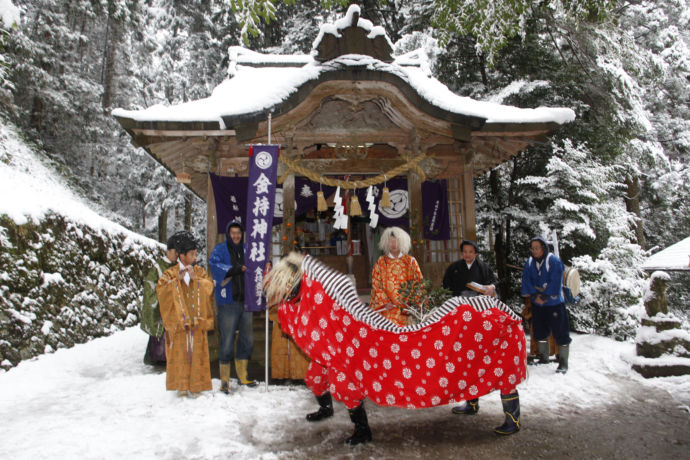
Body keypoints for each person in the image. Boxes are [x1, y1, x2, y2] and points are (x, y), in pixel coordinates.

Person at [156, 231, 215, 395]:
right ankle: (181, 387)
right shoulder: (170, 273)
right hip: (180, 323)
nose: (195, 257)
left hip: (196, 320)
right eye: (192, 254)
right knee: (180, 353)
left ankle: (197, 386)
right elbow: (161, 290)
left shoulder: (200, 272)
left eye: (196, 254)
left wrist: (195, 279)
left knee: (197, 353)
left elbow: (209, 287)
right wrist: (177, 282)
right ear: (182, 256)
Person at [209, 221, 257, 393]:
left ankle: (242, 375)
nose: (236, 235)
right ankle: (224, 380)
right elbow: (213, 264)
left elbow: (257, 264)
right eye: (233, 233)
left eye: (238, 232)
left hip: (246, 301)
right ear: (229, 234)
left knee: (247, 339)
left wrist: (266, 264)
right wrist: (235, 269)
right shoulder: (220, 249)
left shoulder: (247, 249)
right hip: (228, 302)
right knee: (227, 339)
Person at [521, 236, 571, 373]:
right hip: (537, 302)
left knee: (561, 331)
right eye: (532, 248)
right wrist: (535, 295)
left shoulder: (553, 260)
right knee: (540, 330)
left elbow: (556, 280)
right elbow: (526, 280)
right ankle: (543, 357)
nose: (534, 251)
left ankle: (563, 362)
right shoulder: (530, 262)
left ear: (543, 248)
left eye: (537, 248)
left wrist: (544, 296)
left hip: (554, 302)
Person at [369, 226, 423, 326]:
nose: (394, 244)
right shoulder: (381, 262)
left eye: (397, 241)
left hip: (406, 309)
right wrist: (385, 302)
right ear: (386, 242)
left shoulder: (410, 261)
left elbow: (418, 283)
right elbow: (376, 285)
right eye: (391, 241)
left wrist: (412, 302)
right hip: (388, 309)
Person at [268, 260, 310, 383]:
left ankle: (299, 376)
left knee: (298, 348)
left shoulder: (303, 280)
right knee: (280, 349)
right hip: (281, 316)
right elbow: (272, 299)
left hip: (297, 317)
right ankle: (280, 375)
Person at [140, 235, 178, 366]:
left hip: (173, 307)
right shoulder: (158, 267)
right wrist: (159, 297)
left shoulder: (178, 266)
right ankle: (158, 358)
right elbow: (149, 285)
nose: (176, 255)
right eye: (174, 252)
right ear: (168, 252)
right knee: (159, 334)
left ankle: (169, 357)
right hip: (162, 305)